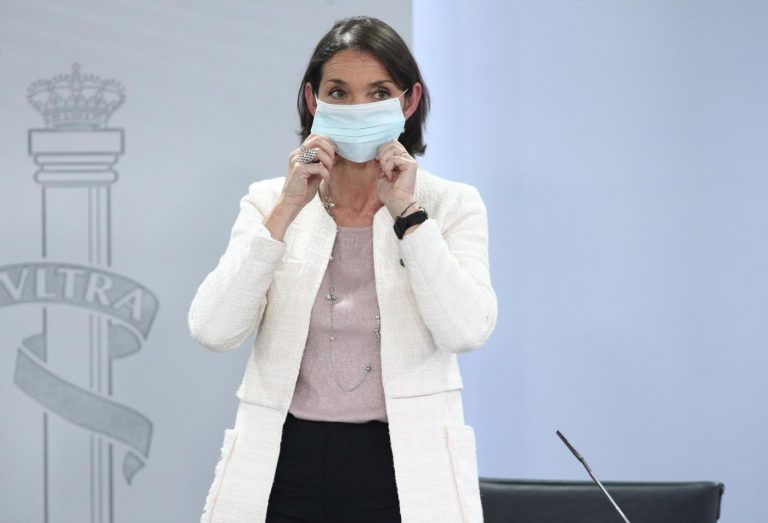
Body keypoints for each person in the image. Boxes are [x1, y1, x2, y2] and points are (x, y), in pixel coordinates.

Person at [189, 16, 497, 523]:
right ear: (314, 101)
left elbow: (466, 330)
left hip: (403, 465)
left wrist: (408, 215)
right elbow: (212, 329)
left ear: (409, 101)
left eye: (378, 92)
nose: (358, 108)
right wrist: (288, 207)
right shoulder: (270, 201)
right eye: (339, 92)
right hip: (283, 463)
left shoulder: (450, 204)